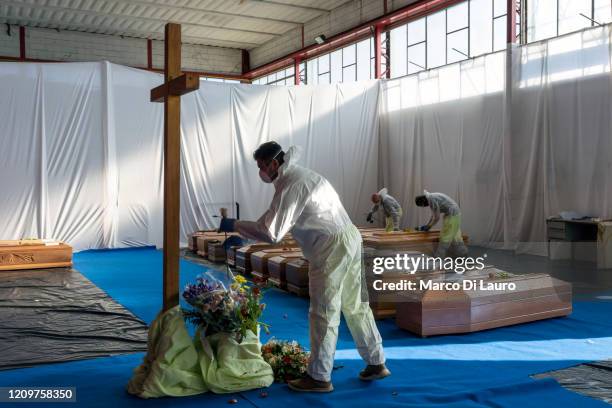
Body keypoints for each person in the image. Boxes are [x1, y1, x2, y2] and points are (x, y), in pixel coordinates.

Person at [218, 141, 389, 393]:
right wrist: (244, 233)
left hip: (330, 246)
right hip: (349, 237)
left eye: (262, 166)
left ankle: (319, 377)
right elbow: (277, 221)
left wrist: (234, 225)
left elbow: (271, 230)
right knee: (356, 304)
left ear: (274, 163)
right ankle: (376, 362)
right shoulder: (301, 176)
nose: (261, 172)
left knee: (323, 310)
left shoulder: (291, 184)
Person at [415, 190, 468, 258]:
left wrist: (429, 226)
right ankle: (463, 255)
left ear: (423, 201)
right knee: (456, 238)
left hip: (452, 216)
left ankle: (438, 259)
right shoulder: (432, 197)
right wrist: (427, 225)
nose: (424, 206)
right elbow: (433, 215)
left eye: (422, 205)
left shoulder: (432, 200)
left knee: (445, 238)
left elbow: (436, 217)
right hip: (454, 215)